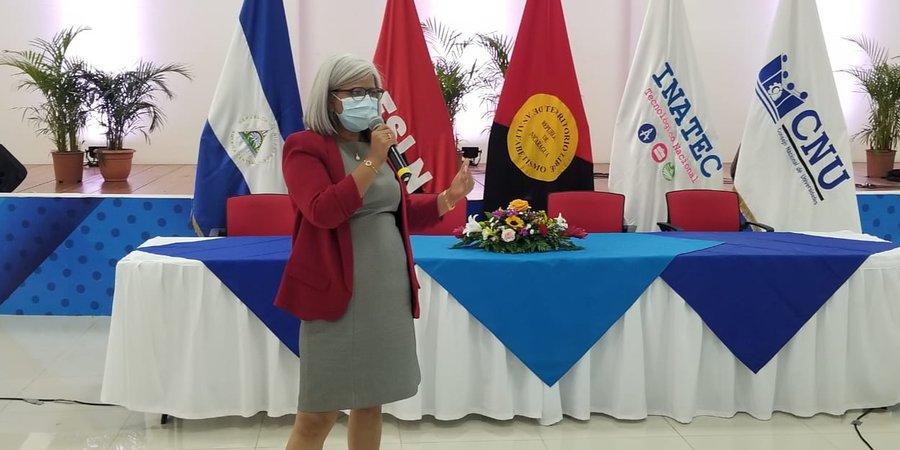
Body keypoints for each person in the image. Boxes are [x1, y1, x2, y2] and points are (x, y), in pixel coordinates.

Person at [273, 53, 475, 450]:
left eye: (374, 91)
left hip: (385, 297)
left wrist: (449, 197)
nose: (369, 99)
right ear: (330, 98)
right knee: (317, 414)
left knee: (370, 403)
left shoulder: (373, 145)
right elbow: (323, 210)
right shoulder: (305, 148)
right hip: (336, 296)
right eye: (357, 91)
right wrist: (372, 159)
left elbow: (394, 209)